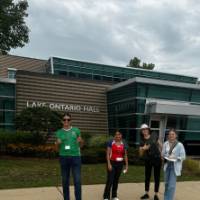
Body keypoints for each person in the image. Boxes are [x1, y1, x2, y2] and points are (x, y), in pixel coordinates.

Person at [55, 113, 83, 200]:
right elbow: (56, 149)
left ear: (71, 121)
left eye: (68, 119)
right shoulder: (58, 132)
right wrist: (57, 144)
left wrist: (81, 141)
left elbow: (81, 145)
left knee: (77, 181)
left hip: (76, 157)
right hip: (63, 158)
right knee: (65, 181)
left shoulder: (76, 130)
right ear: (61, 121)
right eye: (64, 119)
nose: (66, 121)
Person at [103, 131, 128, 200]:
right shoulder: (111, 142)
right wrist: (109, 164)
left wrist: (126, 166)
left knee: (116, 180)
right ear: (114, 136)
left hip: (120, 164)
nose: (118, 136)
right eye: (116, 135)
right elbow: (107, 154)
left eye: (119, 134)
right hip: (112, 163)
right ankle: (106, 196)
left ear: (121, 135)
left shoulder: (124, 143)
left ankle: (114, 196)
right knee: (110, 180)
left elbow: (125, 155)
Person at [139, 124, 162, 200]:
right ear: (141, 131)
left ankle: (156, 194)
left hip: (157, 159)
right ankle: (146, 193)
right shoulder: (142, 140)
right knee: (147, 177)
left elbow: (160, 144)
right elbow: (140, 154)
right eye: (143, 130)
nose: (145, 131)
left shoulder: (154, 135)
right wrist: (143, 148)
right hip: (148, 160)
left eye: (146, 129)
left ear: (148, 130)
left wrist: (162, 153)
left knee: (157, 177)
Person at [162, 128, 186, 200]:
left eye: (173, 134)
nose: (171, 135)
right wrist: (165, 156)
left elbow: (183, 157)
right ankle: (166, 198)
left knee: (171, 186)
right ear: (168, 135)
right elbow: (163, 154)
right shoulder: (165, 143)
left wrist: (175, 157)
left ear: (176, 135)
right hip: (167, 165)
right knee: (166, 184)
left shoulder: (179, 145)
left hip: (174, 166)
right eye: (170, 134)